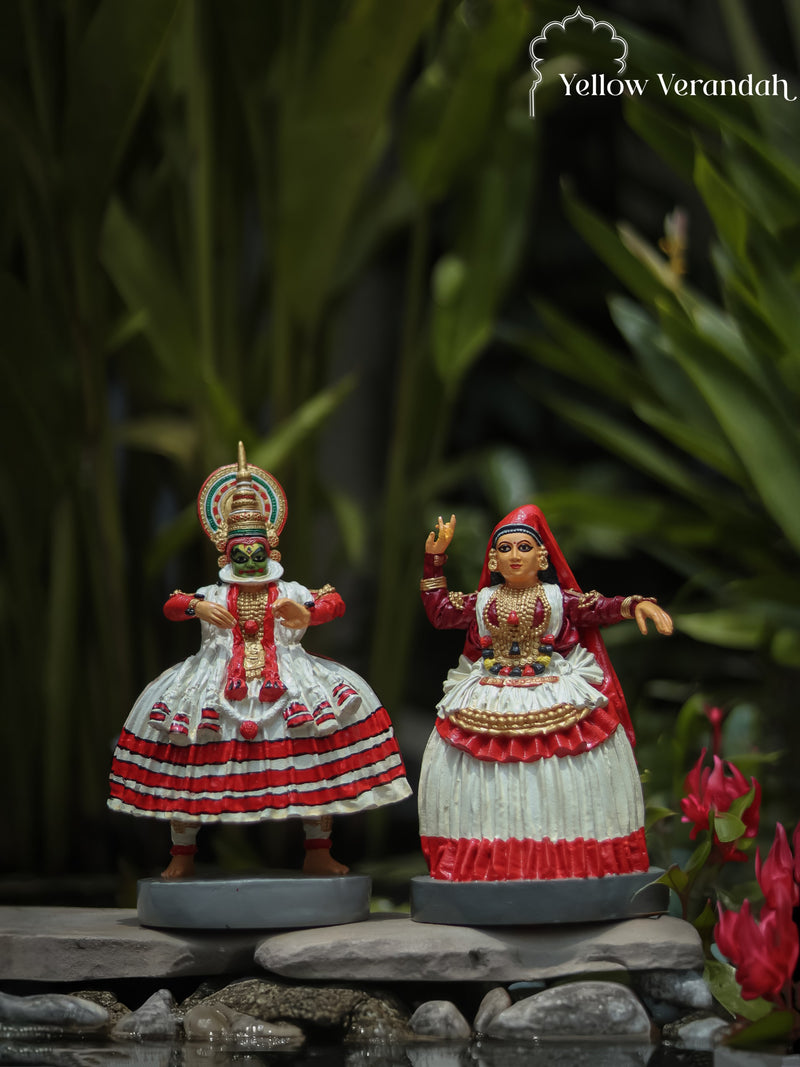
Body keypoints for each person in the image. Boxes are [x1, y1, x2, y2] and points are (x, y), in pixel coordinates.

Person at [109, 444, 411, 878]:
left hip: (290, 679)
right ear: (224, 554)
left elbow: (334, 601)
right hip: (214, 679)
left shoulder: (288, 590)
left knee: (313, 764)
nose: (250, 562)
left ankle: (317, 851)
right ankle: (182, 855)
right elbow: (172, 604)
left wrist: (307, 614)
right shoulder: (213, 594)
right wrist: (197, 608)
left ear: (272, 551)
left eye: (257, 554)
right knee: (188, 761)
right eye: (240, 555)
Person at [418, 505, 672, 882]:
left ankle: (572, 858)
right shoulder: (482, 603)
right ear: (492, 560)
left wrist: (636, 603)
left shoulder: (559, 599)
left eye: (524, 548)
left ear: (542, 557)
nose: (515, 556)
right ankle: (486, 860)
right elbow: (440, 612)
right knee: (476, 774)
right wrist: (434, 560)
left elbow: (598, 607)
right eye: (506, 549)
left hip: (555, 691)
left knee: (569, 771)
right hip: (487, 694)